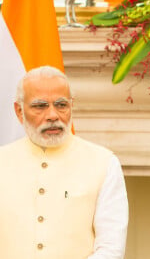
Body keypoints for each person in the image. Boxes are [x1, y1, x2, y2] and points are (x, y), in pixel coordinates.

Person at [0, 66, 128, 259]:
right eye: (40, 106)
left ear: (71, 106)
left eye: (61, 105)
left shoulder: (104, 163)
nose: (53, 115)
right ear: (19, 111)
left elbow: (111, 247)